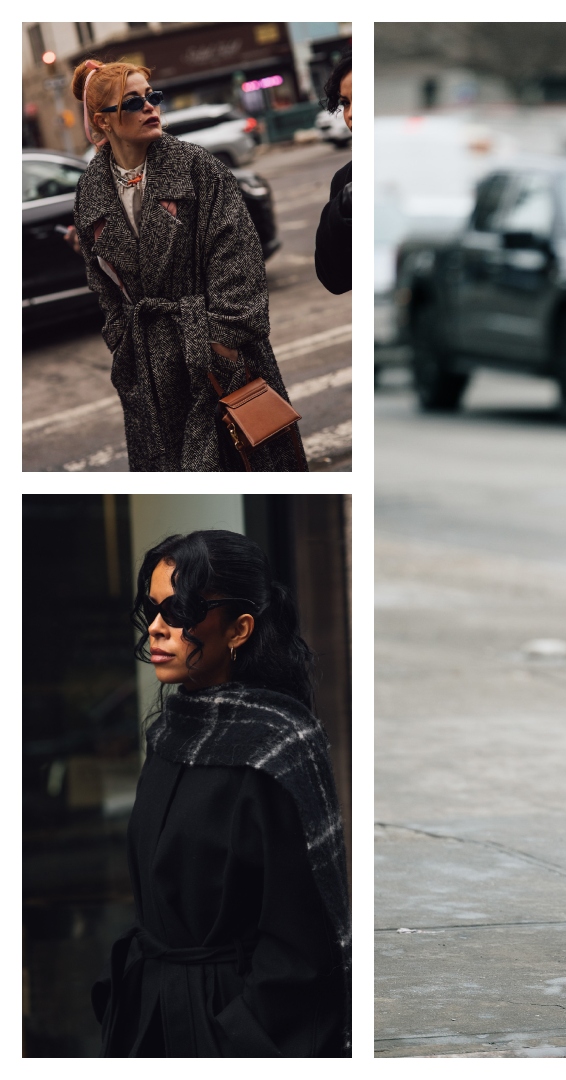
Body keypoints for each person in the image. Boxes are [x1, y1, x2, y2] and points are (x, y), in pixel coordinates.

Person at [91, 531, 349, 1056]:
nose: (157, 627)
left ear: (239, 629)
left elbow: (302, 942)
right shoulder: (169, 732)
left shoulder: (277, 747)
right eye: (153, 609)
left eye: (180, 610)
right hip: (149, 1016)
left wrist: (238, 1035)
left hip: (228, 1030)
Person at [69, 60, 306, 471]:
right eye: (132, 102)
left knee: (245, 466)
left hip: (218, 356)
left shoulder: (195, 166)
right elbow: (101, 282)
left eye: (152, 97)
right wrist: (122, 342)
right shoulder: (90, 190)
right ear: (102, 121)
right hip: (147, 367)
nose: (150, 107)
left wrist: (221, 342)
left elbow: (238, 255)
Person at [314, 55, 352, 294]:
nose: (350, 114)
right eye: (345, 103)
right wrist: (342, 208)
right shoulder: (344, 179)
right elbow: (334, 280)